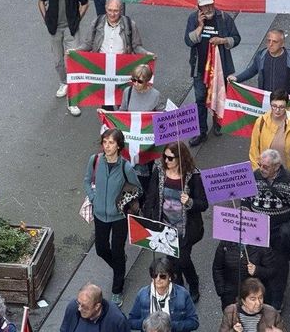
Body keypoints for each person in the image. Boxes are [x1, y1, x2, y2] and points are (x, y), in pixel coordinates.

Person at [142, 142, 208, 302]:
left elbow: (203, 204)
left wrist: (190, 202)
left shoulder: (193, 176)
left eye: (170, 158)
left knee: (183, 260)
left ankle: (193, 282)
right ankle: (179, 289)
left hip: (186, 229)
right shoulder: (159, 171)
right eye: (164, 157)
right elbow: (152, 196)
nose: (166, 161)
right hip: (166, 227)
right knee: (171, 263)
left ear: (180, 158)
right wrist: (147, 219)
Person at [243, 149, 290, 311]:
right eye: (260, 165)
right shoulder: (254, 177)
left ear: (277, 166)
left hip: (280, 233)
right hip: (258, 233)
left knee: (279, 268)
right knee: (259, 266)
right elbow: (244, 200)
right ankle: (262, 296)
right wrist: (246, 211)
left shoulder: (289, 180)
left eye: (265, 166)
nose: (261, 169)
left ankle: (277, 300)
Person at [83, 129, 142, 305]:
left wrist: (123, 201)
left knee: (117, 251)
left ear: (118, 145)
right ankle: (119, 266)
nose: (107, 146)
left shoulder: (126, 167)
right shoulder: (95, 160)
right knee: (101, 249)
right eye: (105, 142)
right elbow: (87, 180)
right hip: (100, 214)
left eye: (111, 142)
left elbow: (137, 188)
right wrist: (94, 198)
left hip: (119, 217)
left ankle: (117, 289)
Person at [184, 0, 241, 147]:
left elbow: (237, 38)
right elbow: (188, 41)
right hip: (200, 69)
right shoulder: (193, 19)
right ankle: (201, 132)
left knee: (219, 96)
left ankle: (218, 122)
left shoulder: (224, 18)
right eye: (204, 7)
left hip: (220, 68)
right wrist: (200, 27)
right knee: (200, 100)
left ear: (214, 3)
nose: (208, 9)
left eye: (210, 5)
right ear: (199, 8)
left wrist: (223, 40)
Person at [37, 0, 88, 116]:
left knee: (72, 62)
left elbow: (85, 3)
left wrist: (77, 19)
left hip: (71, 29)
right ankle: (63, 82)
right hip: (55, 28)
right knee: (58, 61)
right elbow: (40, 0)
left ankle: (73, 100)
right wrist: (46, 19)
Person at [116, 63, 165, 194]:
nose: (135, 83)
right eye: (133, 80)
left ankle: (144, 197)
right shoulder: (128, 92)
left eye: (139, 81)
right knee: (128, 172)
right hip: (130, 140)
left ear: (148, 81)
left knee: (144, 176)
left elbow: (162, 116)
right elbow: (122, 112)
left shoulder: (155, 95)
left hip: (146, 143)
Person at [248, 88, 290, 173]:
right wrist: (257, 171)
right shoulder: (260, 121)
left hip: (289, 173)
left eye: (281, 107)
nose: (277, 110)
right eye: (274, 106)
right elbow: (254, 149)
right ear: (270, 104)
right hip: (267, 173)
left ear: (286, 106)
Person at [229, 29, 290, 96]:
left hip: (285, 101)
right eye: (268, 41)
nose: (270, 44)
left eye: (275, 42)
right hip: (265, 100)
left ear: (282, 44)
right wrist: (237, 78)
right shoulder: (261, 56)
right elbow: (252, 70)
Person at [128, 257, 199, 331]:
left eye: (162, 276)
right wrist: (147, 324)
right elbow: (131, 321)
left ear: (170, 277)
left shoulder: (182, 294)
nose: (158, 279)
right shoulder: (143, 294)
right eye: (155, 275)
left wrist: (169, 325)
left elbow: (194, 322)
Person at [212, 240, 279, 309]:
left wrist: (257, 270)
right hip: (231, 295)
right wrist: (222, 291)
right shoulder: (225, 244)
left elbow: (272, 270)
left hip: (255, 294)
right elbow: (217, 268)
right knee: (232, 318)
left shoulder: (262, 245)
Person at [75, 0, 148, 56]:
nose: (112, 14)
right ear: (105, 8)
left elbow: (136, 47)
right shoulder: (97, 22)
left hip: (122, 65)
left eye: (116, 11)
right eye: (110, 10)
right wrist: (75, 51)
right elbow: (88, 44)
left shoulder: (130, 24)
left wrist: (147, 54)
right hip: (100, 64)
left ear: (121, 10)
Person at [219, 278, 284, 332]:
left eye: (260, 297)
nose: (258, 303)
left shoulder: (271, 313)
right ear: (243, 300)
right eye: (253, 299)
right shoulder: (231, 312)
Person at [59, 283, 130, 332]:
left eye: (85, 306)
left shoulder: (117, 320)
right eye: (79, 303)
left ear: (97, 306)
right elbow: (64, 329)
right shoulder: (73, 306)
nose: (79, 309)